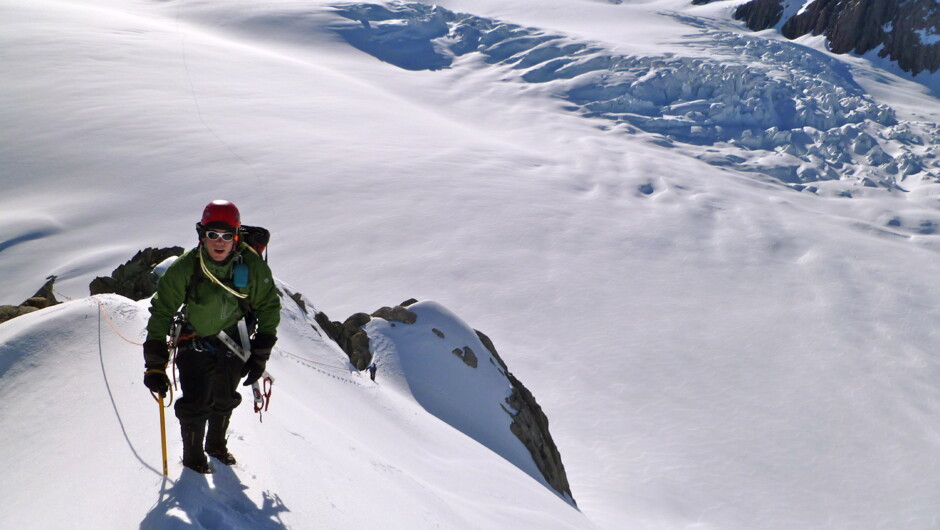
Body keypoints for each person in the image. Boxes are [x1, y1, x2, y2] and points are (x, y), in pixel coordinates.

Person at [142, 200, 281, 473]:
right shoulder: (186, 268)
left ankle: (216, 445)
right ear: (201, 235)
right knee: (195, 403)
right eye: (212, 234)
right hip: (195, 340)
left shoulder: (251, 266)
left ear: (236, 237)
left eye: (227, 235)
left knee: (225, 398)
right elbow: (162, 311)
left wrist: (261, 353)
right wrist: (155, 363)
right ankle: (194, 462)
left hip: (234, 341)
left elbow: (269, 307)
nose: (219, 242)